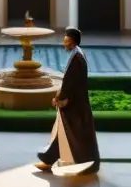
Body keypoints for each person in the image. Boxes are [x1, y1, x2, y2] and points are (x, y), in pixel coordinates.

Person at [35, 27, 100, 175]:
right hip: (76, 102)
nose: (63, 42)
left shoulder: (76, 57)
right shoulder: (77, 54)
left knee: (74, 133)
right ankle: (48, 159)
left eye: (65, 39)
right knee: (66, 131)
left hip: (75, 104)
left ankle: (90, 163)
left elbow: (70, 82)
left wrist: (60, 97)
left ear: (71, 40)